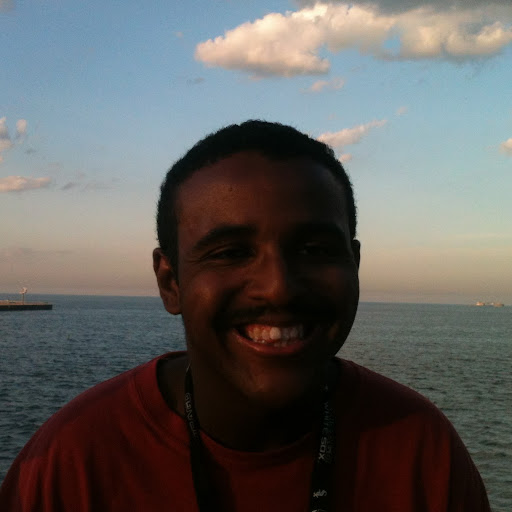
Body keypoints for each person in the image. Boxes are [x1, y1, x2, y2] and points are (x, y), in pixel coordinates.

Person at [0, 120, 490, 511]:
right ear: (170, 282)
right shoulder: (72, 462)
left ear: (354, 264)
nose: (278, 287)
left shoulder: (422, 451)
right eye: (231, 252)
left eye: (316, 249)